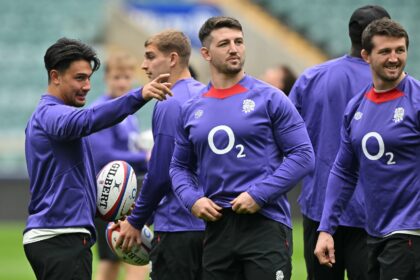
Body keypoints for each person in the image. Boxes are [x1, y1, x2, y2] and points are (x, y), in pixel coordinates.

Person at [169, 16, 315, 280]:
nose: (234, 48)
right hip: (217, 228)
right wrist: (193, 200)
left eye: (239, 42)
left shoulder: (271, 98)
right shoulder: (191, 109)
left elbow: (303, 155)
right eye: (224, 43)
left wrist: (259, 195)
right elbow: (179, 167)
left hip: (265, 224)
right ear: (206, 53)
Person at [23, 37, 172, 280]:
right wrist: (140, 95)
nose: (87, 86)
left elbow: (71, 179)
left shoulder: (52, 116)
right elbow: (88, 120)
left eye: (89, 78)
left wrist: (116, 205)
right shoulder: (50, 115)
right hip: (59, 236)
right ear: (55, 76)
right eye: (80, 78)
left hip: (61, 234)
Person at [288, 5, 390, 280]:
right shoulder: (392, 84)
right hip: (371, 211)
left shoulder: (311, 78)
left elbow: (288, 139)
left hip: (319, 205)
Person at [315, 18, 420, 279]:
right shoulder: (356, 107)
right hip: (373, 231)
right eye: (385, 51)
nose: (394, 58)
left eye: (400, 50)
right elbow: (344, 171)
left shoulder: (416, 101)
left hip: (410, 232)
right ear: (366, 56)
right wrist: (326, 228)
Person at [115, 30, 206, 280]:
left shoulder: (168, 100)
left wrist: (136, 220)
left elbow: (161, 173)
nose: (143, 65)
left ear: (173, 59)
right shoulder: (208, 95)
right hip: (212, 227)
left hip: (178, 227)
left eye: (150, 57)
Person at [89, 52, 150, 280]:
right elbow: (105, 154)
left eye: (126, 77)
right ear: (106, 78)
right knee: (133, 258)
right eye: (116, 77)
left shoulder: (128, 114)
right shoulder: (102, 110)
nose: (122, 82)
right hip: (108, 197)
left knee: (116, 261)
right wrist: (145, 158)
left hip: (123, 196)